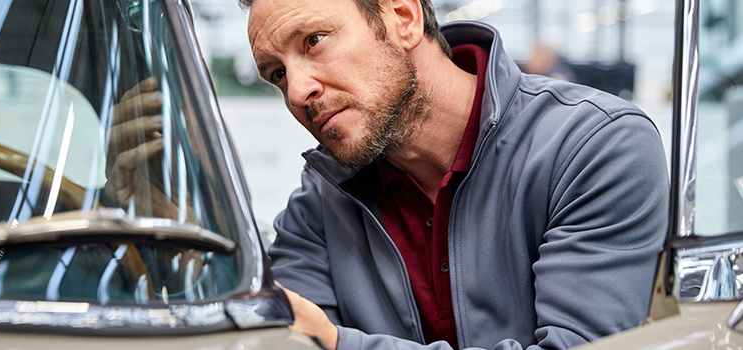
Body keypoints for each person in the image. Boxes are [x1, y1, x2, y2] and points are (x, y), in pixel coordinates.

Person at [252, 0, 669, 348]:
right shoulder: (320, 207)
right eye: (278, 73)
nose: (296, 92)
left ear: (403, 17)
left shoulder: (595, 146)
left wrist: (340, 342)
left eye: (314, 41)